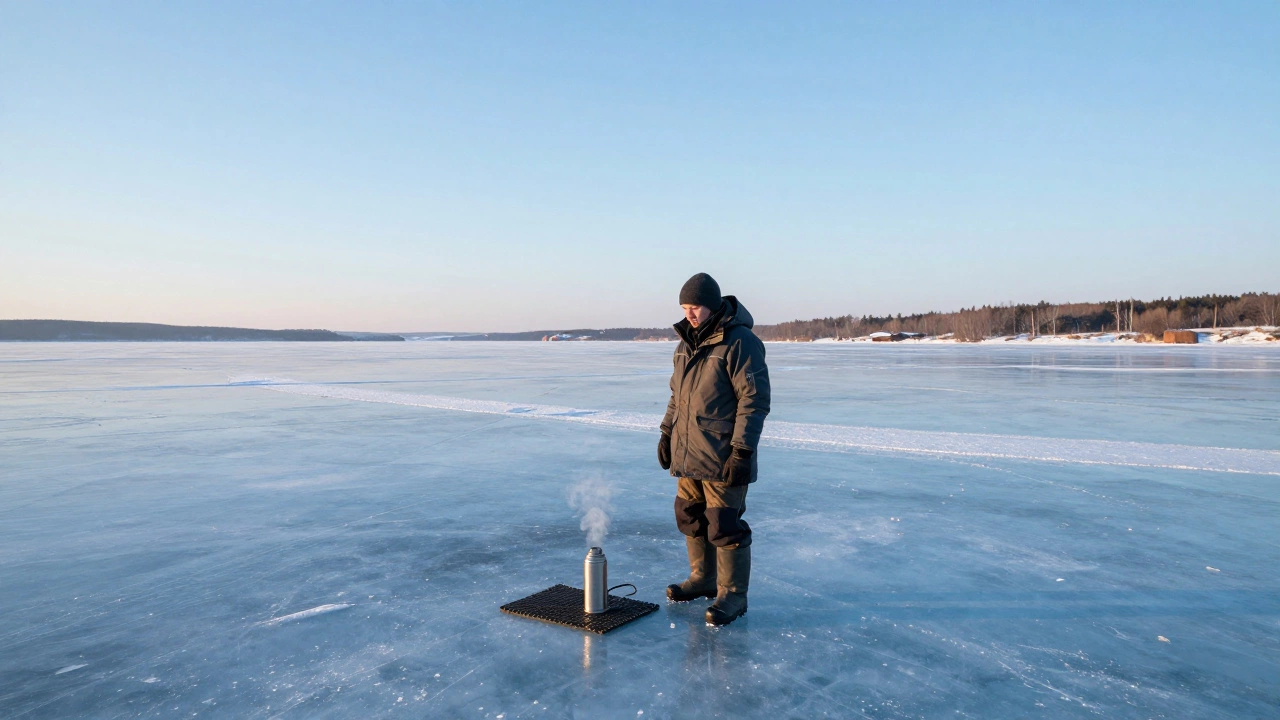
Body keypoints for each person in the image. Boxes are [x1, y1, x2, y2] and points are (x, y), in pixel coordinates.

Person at [658, 273, 770, 626]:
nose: (689, 315)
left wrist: (742, 451)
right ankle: (703, 580)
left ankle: (732, 596)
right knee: (689, 515)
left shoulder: (740, 342)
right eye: (684, 309)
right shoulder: (685, 345)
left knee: (724, 525)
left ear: (713, 305)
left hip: (723, 453)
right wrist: (666, 433)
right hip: (689, 451)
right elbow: (677, 397)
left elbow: (754, 401)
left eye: (695, 308)